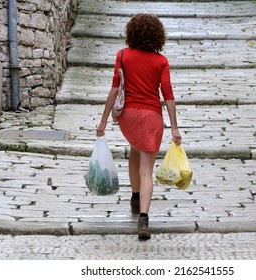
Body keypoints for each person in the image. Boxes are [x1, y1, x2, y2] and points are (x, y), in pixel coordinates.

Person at [96, 13, 181, 240]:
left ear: (131, 33)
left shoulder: (122, 56)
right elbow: (168, 94)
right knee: (147, 169)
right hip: (152, 117)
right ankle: (143, 217)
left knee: (135, 149)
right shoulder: (161, 62)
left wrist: (103, 120)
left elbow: (115, 89)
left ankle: (135, 197)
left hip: (129, 118)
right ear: (157, 36)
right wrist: (174, 127)